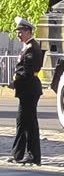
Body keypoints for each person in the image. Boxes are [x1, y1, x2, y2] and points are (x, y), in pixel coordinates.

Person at [6, 17, 43, 166]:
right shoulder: (28, 46)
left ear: (28, 32)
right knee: (25, 123)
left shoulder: (31, 48)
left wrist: (15, 82)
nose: (18, 35)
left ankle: (30, 155)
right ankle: (20, 154)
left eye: (20, 32)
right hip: (27, 89)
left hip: (29, 88)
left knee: (26, 123)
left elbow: (27, 70)